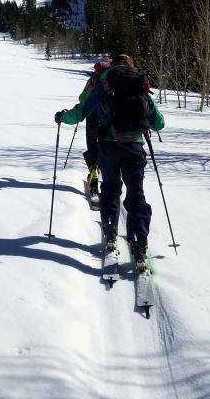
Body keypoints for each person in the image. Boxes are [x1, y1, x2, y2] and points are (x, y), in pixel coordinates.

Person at [54, 55, 165, 269]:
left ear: (111, 67)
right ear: (131, 68)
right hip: (135, 148)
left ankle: (111, 230)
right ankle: (139, 241)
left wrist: (62, 117)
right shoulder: (140, 86)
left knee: (111, 188)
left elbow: (79, 113)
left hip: (108, 147)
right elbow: (159, 123)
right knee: (136, 193)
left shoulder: (102, 86)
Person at [78, 59, 111, 196]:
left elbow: (82, 98)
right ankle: (108, 175)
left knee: (92, 145)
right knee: (106, 145)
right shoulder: (112, 81)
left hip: (92, 116)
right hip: (108, 118)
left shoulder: (92, 80)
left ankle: (93, 170)